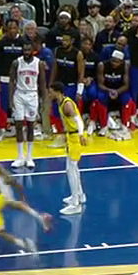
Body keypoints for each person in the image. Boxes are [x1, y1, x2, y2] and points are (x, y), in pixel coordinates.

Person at [49, 82, 88, 216]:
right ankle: (80, 195)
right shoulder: (60, 103)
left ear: (57, 92)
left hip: (76, 137)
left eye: (51, 92)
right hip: (71, 136)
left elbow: (79, 120)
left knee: (71, 169)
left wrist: (81, 135)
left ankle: (76, 204)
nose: (49, 94)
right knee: (73, 168)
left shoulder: (67, 105)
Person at [9, 40, 46, 169]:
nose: (26, 52)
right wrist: (10, 100)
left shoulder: (38, 63)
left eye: (28, 50)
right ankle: (20, 157)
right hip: (19, 94)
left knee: (30, 126)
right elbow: (11, 81)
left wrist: (43, 101)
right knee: (19, 125)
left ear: (33, 50)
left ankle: (29, 156)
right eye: (24, 50)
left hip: (32, 95)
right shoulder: (16, 62)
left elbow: (42, 83)